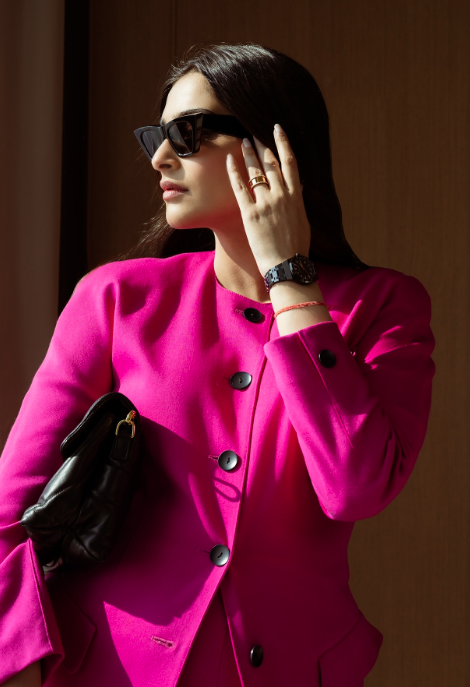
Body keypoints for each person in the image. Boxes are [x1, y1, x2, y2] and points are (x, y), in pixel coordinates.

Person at [0, 43, 435, 687]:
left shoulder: (384, 307)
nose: (159, 157)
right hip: (110, 669)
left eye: (186, 133)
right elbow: (12, 509)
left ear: (273, 147)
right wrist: (18, 661)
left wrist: (291, 280)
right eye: (156, 136)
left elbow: (355, 487)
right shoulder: (117, 299)